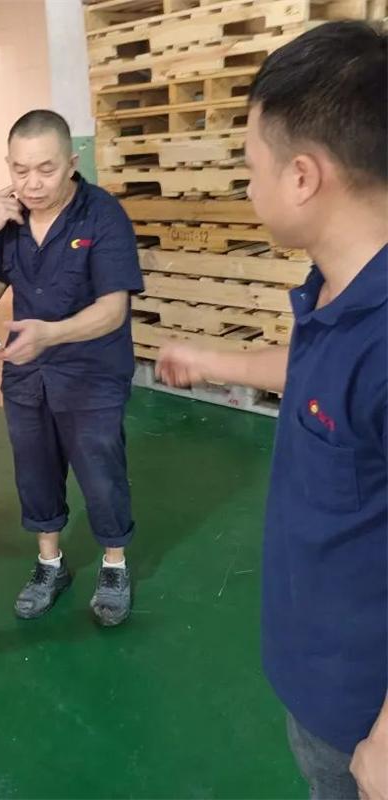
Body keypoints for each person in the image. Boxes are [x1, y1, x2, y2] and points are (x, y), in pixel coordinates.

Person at [156, 22, 387, 800]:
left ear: (303, 177)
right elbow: (323, 379)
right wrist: (214, 361)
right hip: (318, 668)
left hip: (362, 711)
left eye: (251, 167)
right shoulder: (339, 286)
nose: (246, 187)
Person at [0, 109, 144, 626]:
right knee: (35, 470)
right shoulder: (9, 220)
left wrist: (49, 334)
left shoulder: (102, 215)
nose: (32, 183)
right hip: (28, 375)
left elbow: (112, 311)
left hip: (92, 373)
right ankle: (50, 563)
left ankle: (114, 565)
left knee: (101, 471)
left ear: (72, 161)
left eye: (46, 169)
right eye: (20, 170)